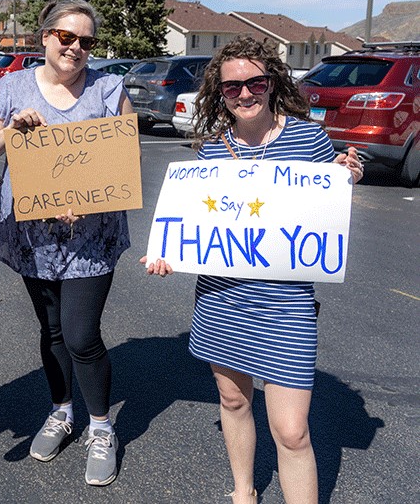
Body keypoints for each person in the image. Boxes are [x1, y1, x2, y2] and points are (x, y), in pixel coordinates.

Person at [143, 36, 363, 503]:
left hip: (286, 305)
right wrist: (167, 253)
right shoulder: (210, 154)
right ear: (218, 93)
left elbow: (327, 208)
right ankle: (244, 492)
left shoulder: (308, 137)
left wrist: (346, 176)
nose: (244, 94)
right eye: (231, 87)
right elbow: (193, 228)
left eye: (255, 82)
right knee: (234, 401)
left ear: (272, 82)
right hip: (221, 300)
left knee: (292, 431)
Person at [0, 0, 133, 486]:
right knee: (52, 332)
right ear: (45, 37)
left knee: (82, 335)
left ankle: (102, 428)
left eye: (87, 41)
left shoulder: (108, 88)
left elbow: (125, 158)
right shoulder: (13, 86)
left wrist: (91, 199)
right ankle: (61, 411)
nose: (76, 48)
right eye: (67, 37)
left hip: (91, 236)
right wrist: (9, 129)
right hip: (32, 236)